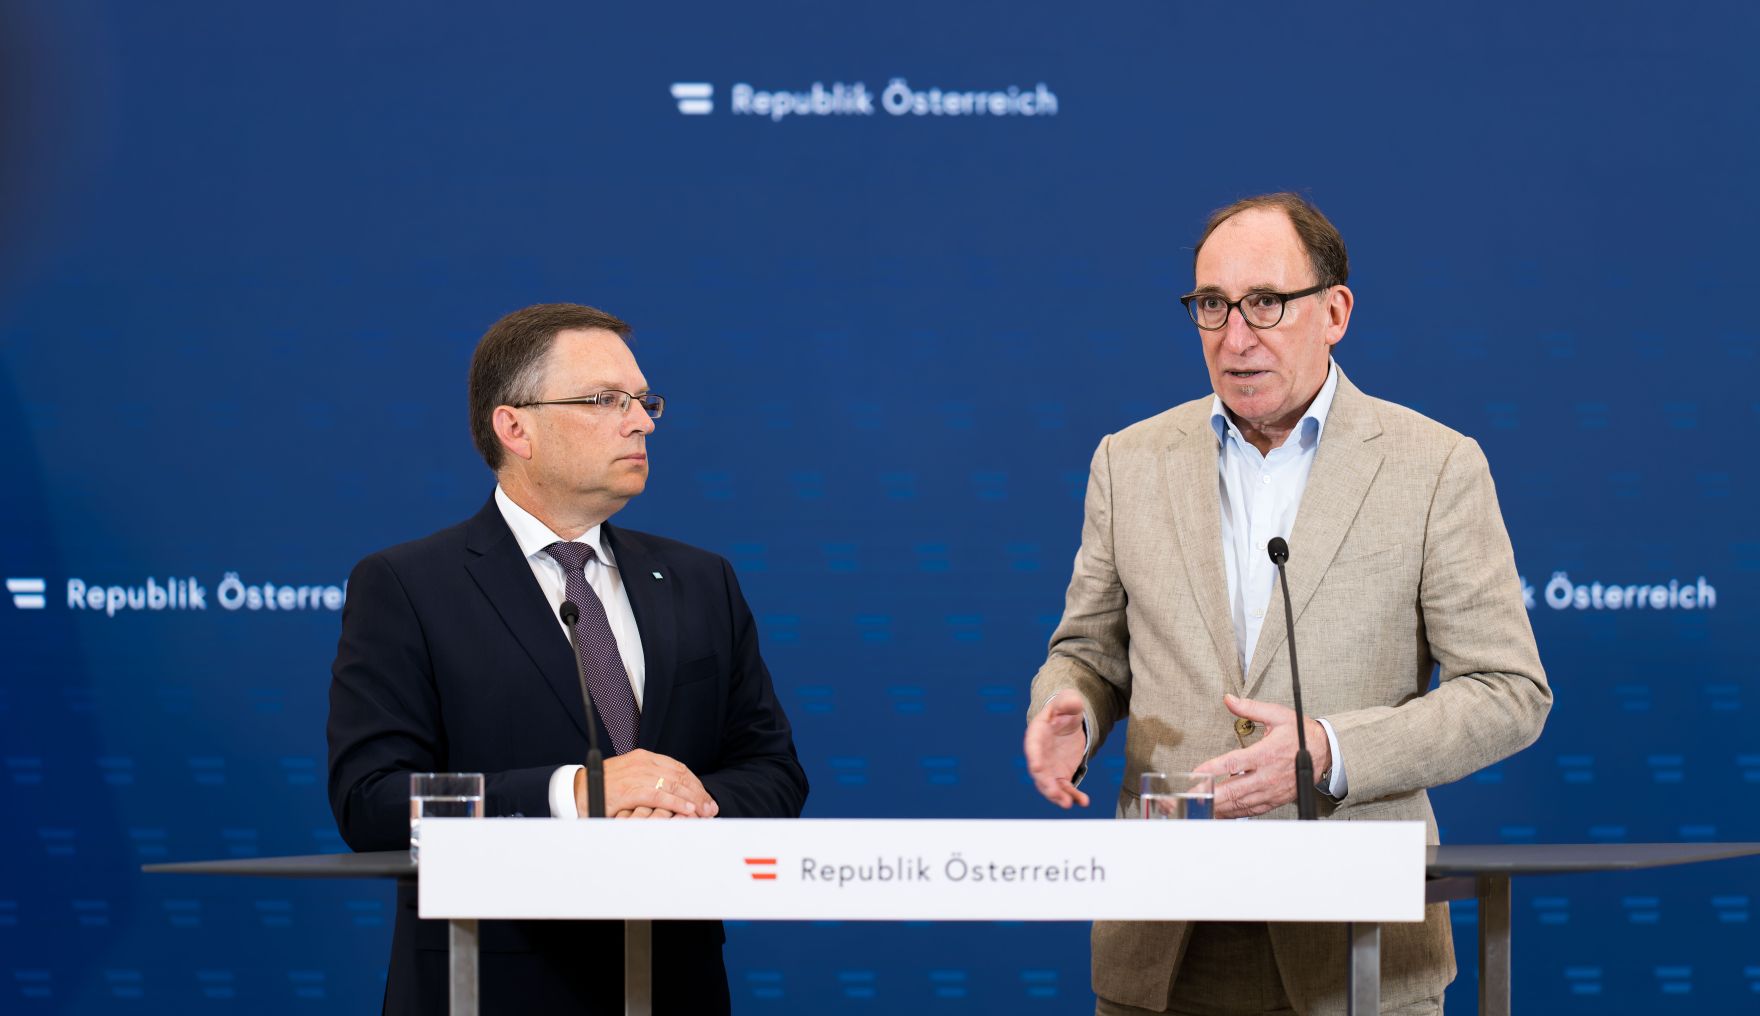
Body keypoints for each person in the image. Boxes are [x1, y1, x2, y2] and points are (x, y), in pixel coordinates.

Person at [1022, 193, 1551, 1015]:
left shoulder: (1434, 467)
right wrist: (1072, 709)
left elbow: (1509, 693)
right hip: (1166, 937)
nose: (1236, 337)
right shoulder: (1129, 462)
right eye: (1211, 306)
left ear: (1335, 311)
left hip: (1356, 945)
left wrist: (1332, 750)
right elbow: (1090, 653)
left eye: (1265, 303)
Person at [328, 303, 808, 1015]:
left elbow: (772, 772)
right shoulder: (408, 585)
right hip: (490, 984)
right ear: (514, 427)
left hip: (672, 981)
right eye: (604, 401)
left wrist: (680, 808)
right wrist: (571, 795)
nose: (641, 421)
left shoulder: (700, 580)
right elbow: (373, 801)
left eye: (644, 402)